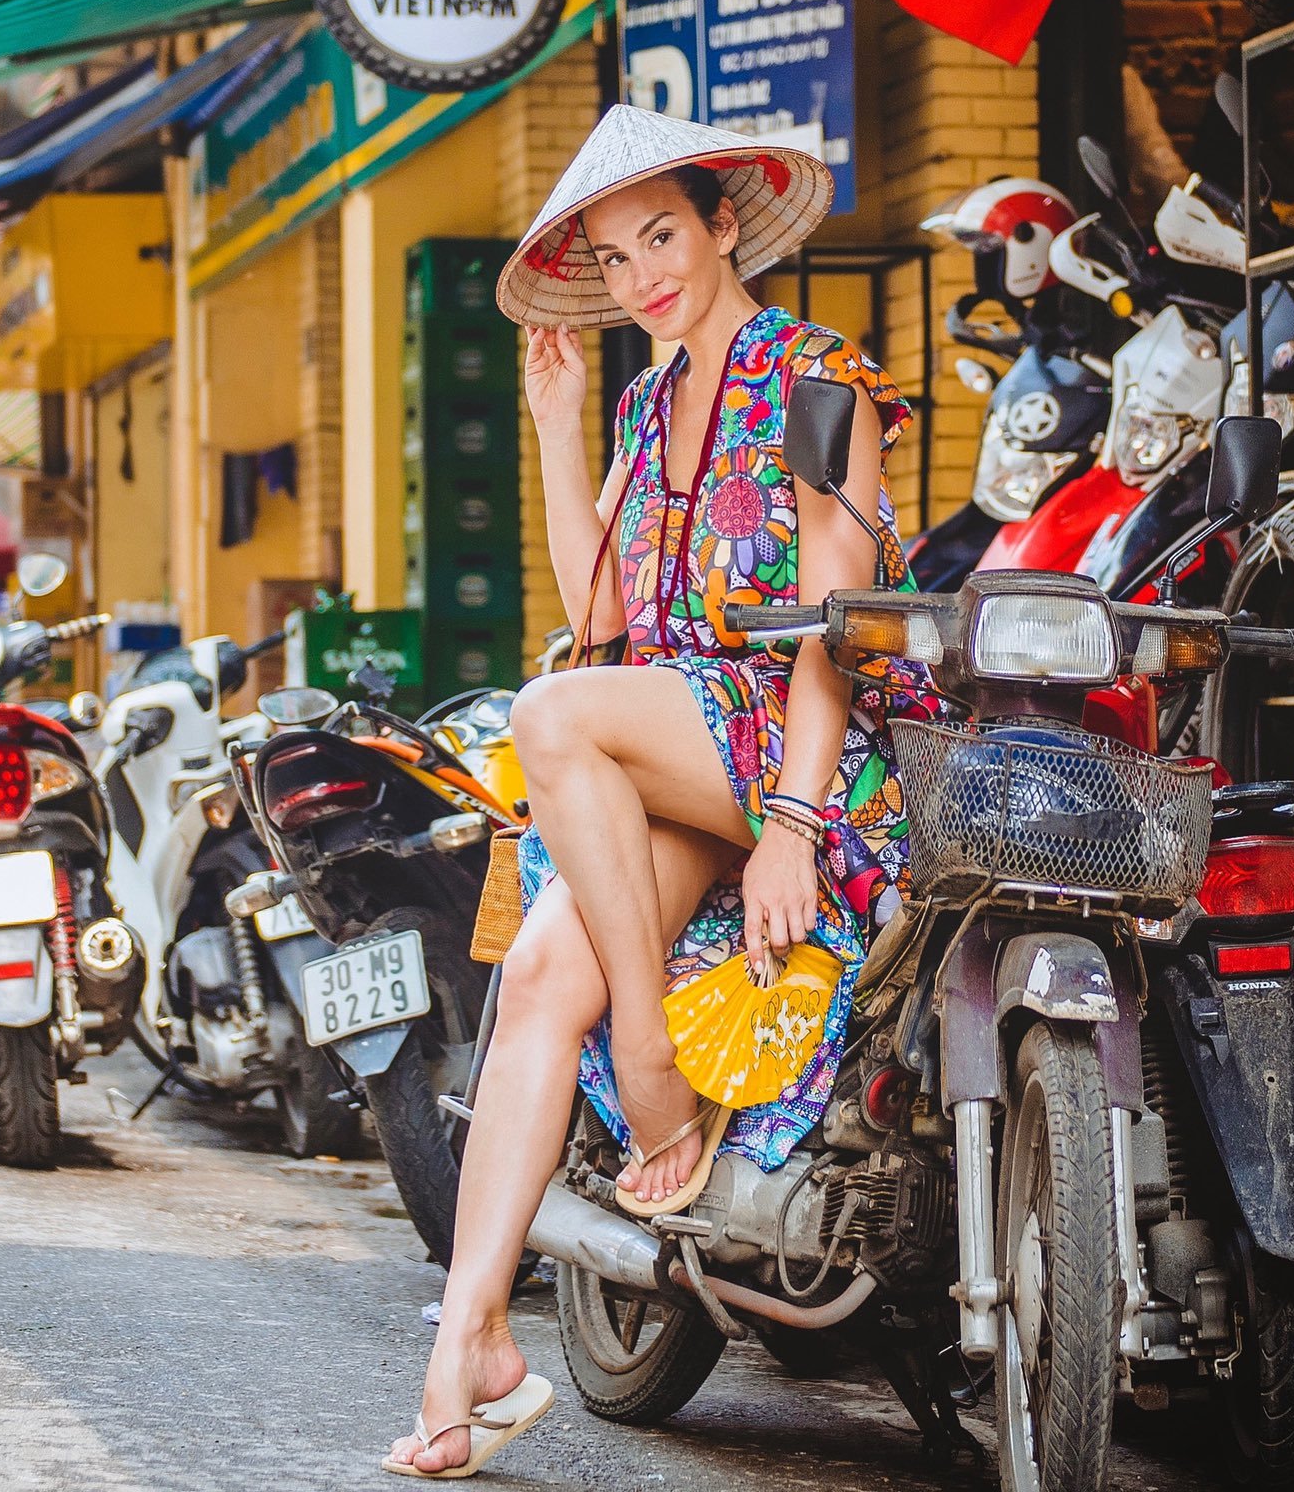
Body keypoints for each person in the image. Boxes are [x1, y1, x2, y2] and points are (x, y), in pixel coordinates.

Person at [386, 106, 918, 1478]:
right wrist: (557, 425)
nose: (641, 277)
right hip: (674, 750)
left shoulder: (815, 374)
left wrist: (794, 820)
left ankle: (649, 1064)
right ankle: (472, 1343)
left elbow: (838, 625)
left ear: (723, 224)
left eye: (661, 236)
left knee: (549, 711)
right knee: (533, 980)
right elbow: (605, 611)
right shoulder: (640, 400)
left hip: (804, 744)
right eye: (615, 259)